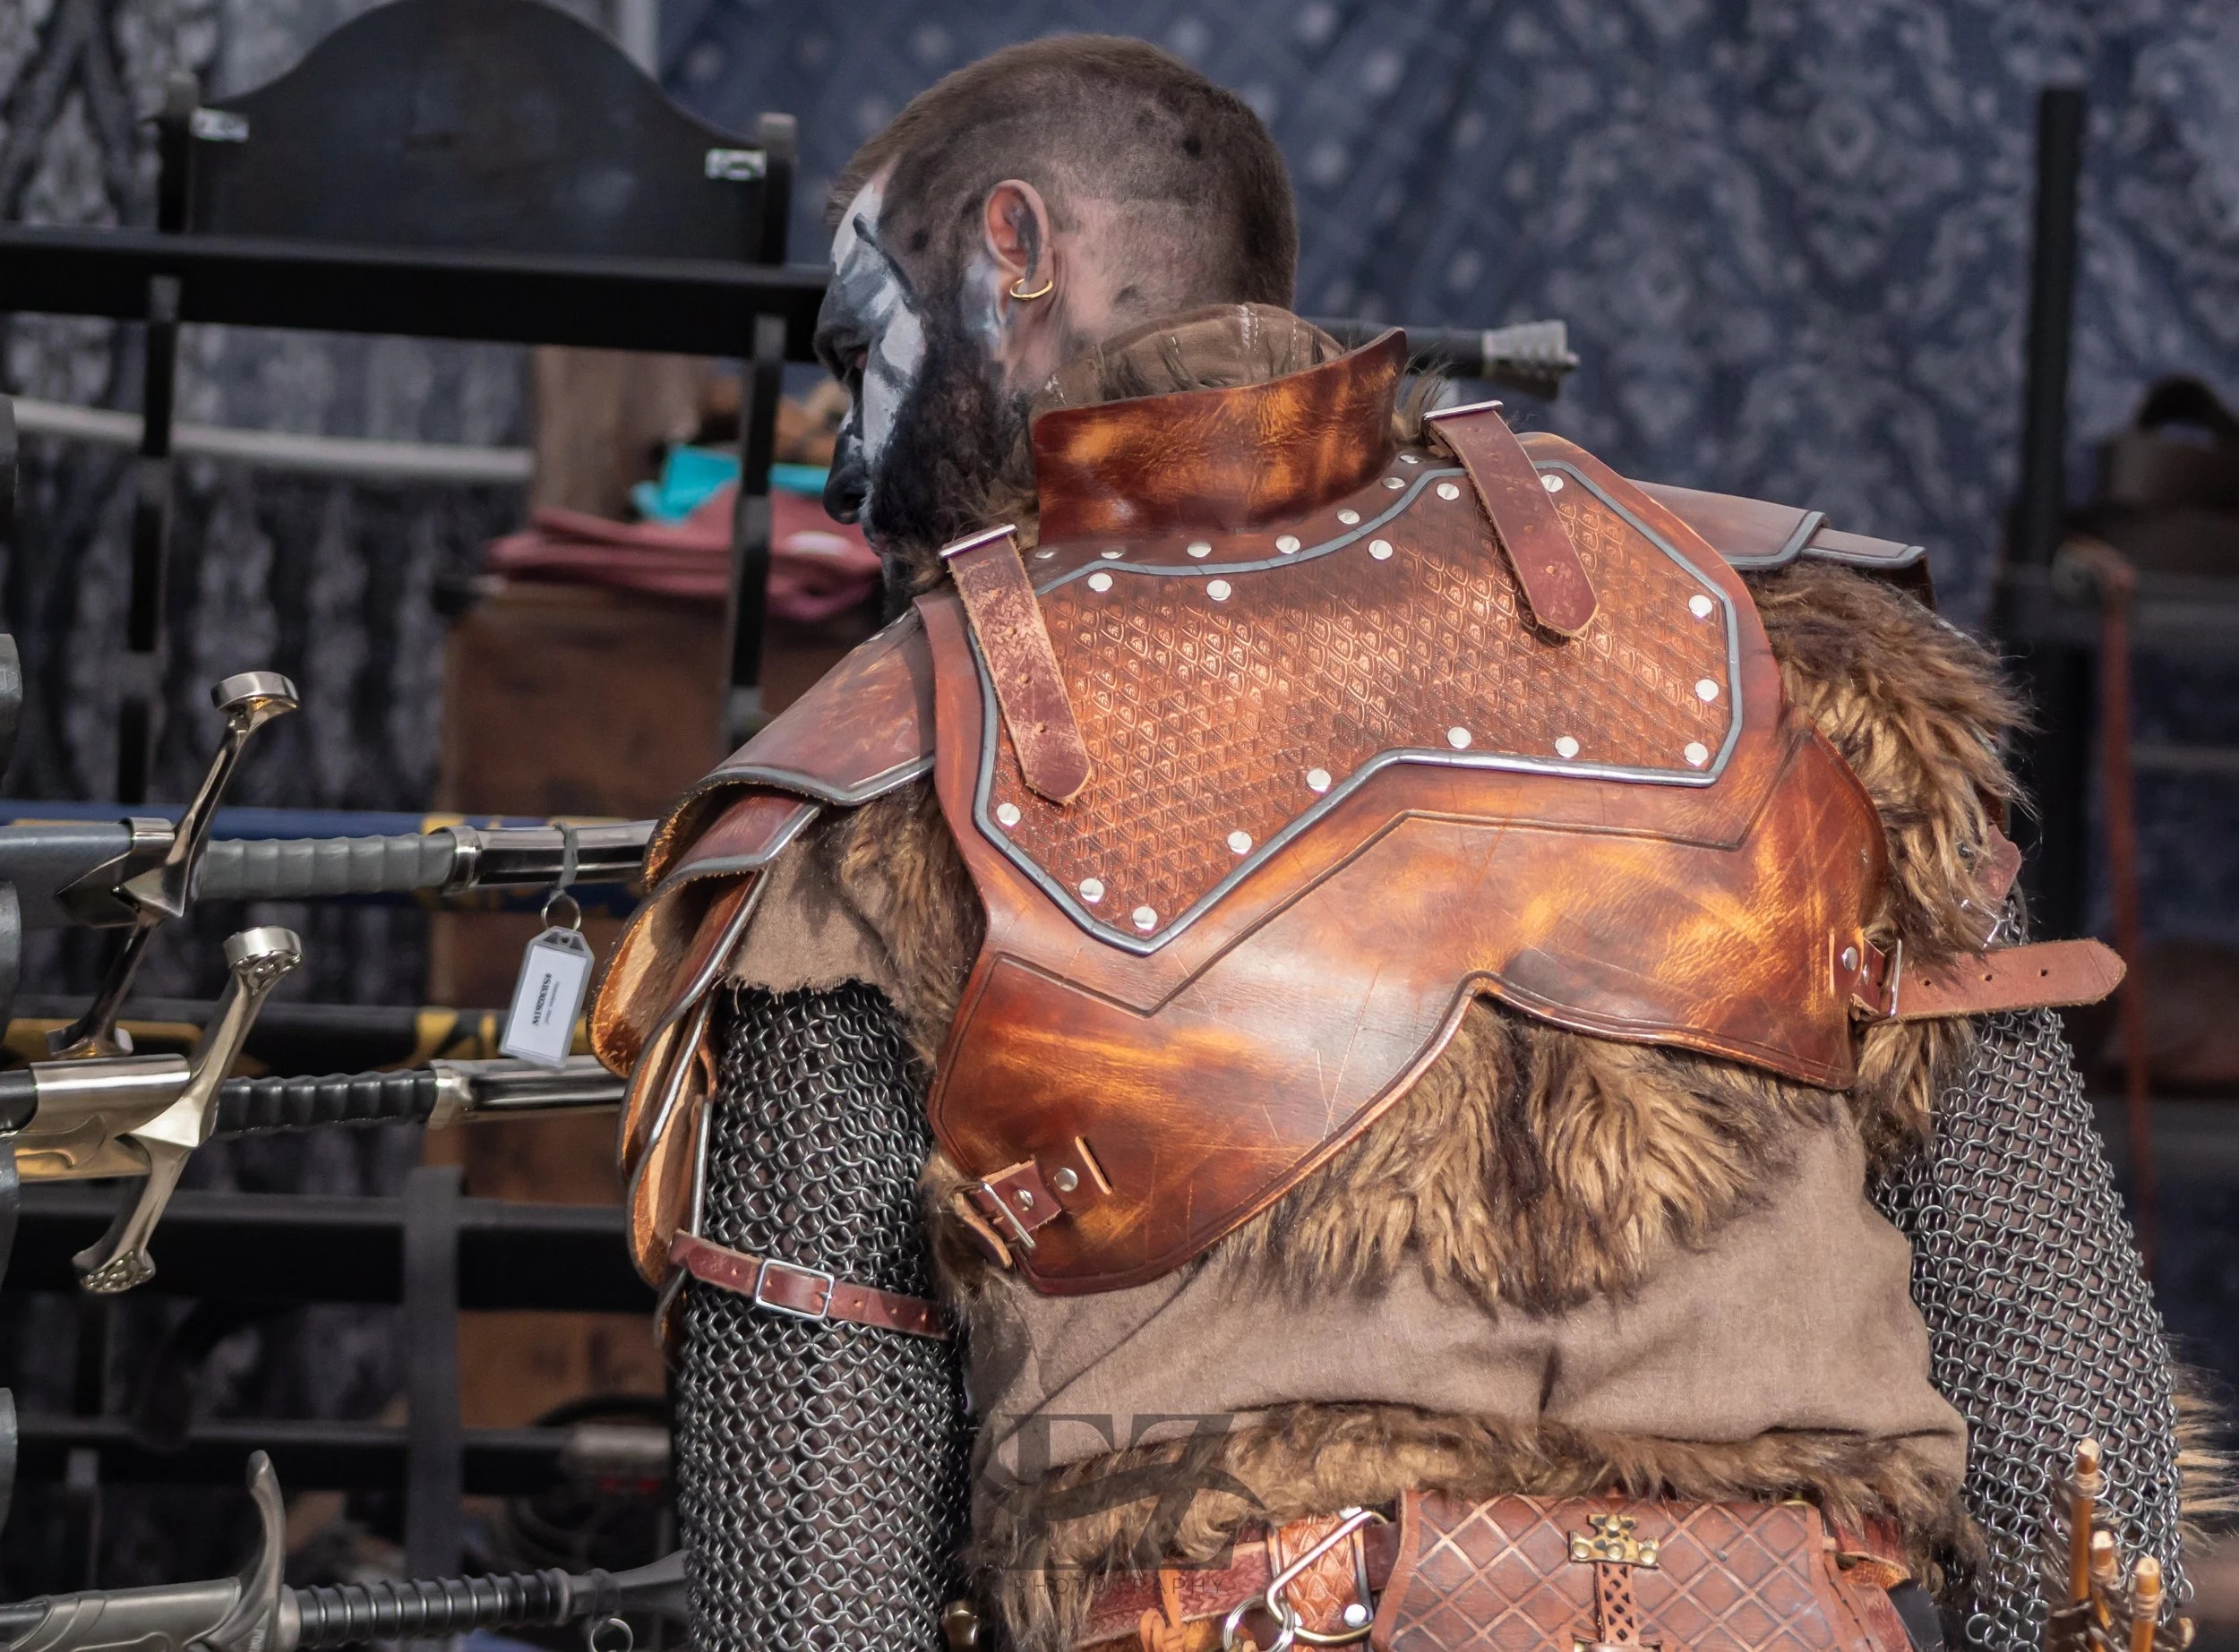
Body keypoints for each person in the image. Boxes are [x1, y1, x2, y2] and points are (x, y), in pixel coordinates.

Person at [592, 35, 2205, 1652]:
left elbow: (812, 1585)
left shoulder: (887, 776)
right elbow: (2067, 1406)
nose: (846, 462)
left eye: (860, 345)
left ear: (1014, 252)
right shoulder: (1781, 647)